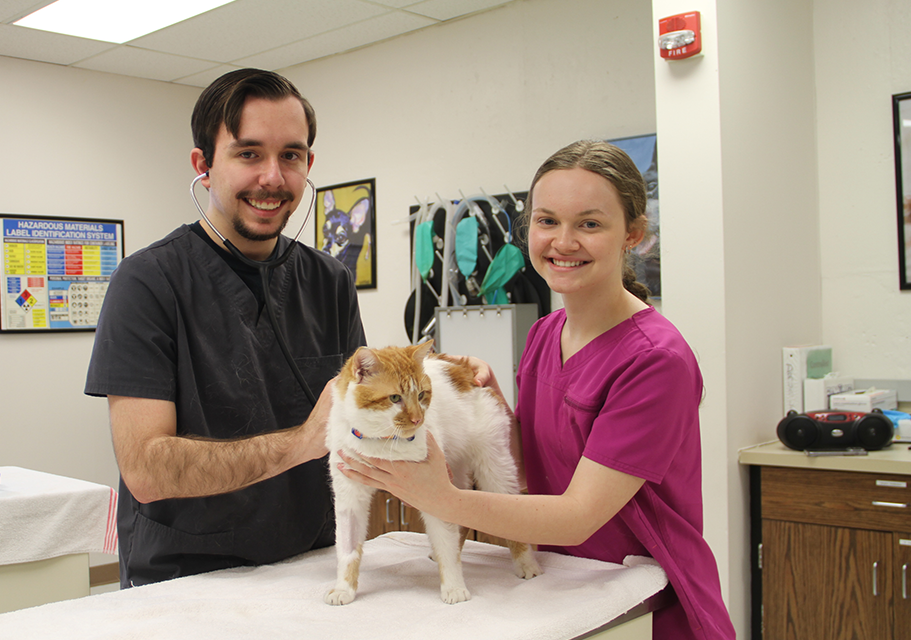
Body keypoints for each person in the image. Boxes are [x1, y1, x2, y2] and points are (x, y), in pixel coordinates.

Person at [338, 140, 734, 639]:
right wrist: (490, 410)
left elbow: (576, 517)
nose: (562, 242)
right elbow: (536, 468)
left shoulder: (656, 361)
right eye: (547, 221)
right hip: (557, 591)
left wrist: (438, 495)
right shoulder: (546, 335)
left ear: (632, 233)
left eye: (589, 224)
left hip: (640, 602)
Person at [86, 69, 367, 588]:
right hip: (187, 578)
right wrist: (302, 441)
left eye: (291, 155)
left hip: (313, 565)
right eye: (249, 153)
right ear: (204, 165)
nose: (273, 178)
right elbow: (146, 470)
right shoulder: (148, 282)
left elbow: (358, 417)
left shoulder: (329, 280)